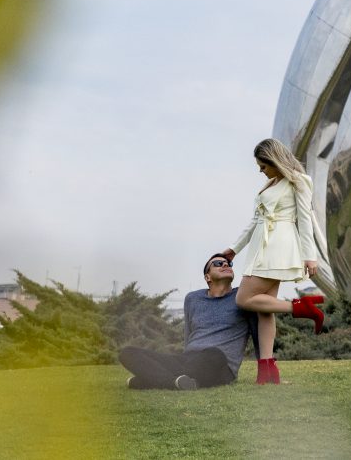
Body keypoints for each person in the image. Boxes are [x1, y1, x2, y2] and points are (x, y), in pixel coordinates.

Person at [223, 138, 327, 385]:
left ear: (274, 160)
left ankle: (302, 308)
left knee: (244, 299)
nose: (261, 171)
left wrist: (309, 256)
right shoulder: (271, 183)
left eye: (263, 166)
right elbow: (255, 221)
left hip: (277, 247)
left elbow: (304, 219)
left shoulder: (299, 181)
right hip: (259, 247)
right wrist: (234, 249)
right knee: (264, 310)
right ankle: (268, 374)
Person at [118, 252, 257, 390]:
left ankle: (150, 380)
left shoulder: (243, 297)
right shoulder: (193, 298)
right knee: (127, 353)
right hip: (187, 359)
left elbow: (258, 331)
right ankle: (174, 382)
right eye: (218, 264)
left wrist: (265, 364)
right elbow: (188, 335)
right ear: (207, 277)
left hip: (220, 364)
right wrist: (185, 359)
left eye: (229, 264)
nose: (226, 264)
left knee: (214, 354)